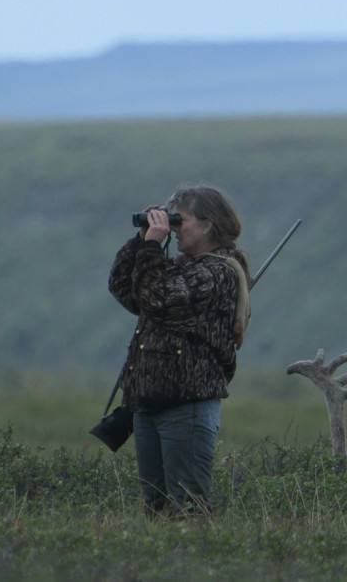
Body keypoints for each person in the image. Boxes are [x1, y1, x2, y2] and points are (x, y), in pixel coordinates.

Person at [107, 184, 251, 516]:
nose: (172, 227)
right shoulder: (185, 268)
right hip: (150, 405)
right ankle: (166, 566)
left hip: (186, 408)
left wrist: (154, 247)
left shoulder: (216, 273)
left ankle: (196, 563)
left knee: (189, 509)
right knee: (155, 509)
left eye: (179, 220)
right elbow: (126, 289)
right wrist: (142, 242)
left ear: (207, 225)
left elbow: (157, 298)